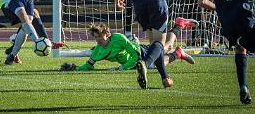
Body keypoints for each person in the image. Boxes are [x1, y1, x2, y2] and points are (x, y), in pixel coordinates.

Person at [198, 0, 254, 104]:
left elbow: (201, 1)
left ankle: (243, 86)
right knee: (243, 46)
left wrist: (219, 8)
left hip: (227, 23)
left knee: (240, 49)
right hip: (245, 19)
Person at [60, 23, 194, 89]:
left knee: (165, 47)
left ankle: (178, 26)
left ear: (107, 34)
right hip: (134, 63)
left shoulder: (119, 38)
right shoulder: (97, 50)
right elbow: (89, 66)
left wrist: (121, 68)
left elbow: (136, 57)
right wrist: (75, 68)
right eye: (95, 38)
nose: (98, 40)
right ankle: (178, 53)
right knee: (158, 62)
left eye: (100, 36)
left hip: (140, 52)